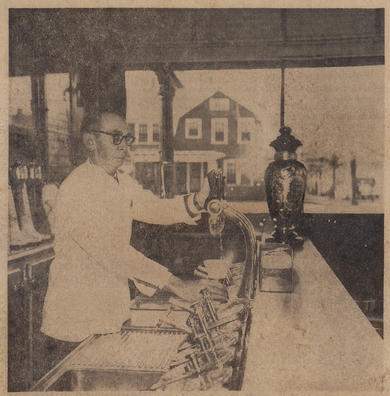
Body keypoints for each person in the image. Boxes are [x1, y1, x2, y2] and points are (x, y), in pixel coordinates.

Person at [40, 112, 225, 362]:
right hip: (75, 322)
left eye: (127, 138)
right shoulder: (76, 189)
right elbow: (113, 253)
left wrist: (198, 200)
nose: (125, 145)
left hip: (109, 311)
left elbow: (153, 207)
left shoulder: (119, 181)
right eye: (117, 137)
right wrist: (177, 284)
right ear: (90, 142)